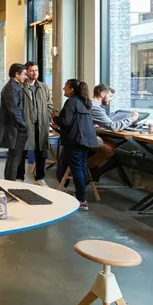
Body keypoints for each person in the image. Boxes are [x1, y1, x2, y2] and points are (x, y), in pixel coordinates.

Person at [53, 79, 98, 210]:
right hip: (85, 140)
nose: (63, 89)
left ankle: (81, 200)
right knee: (82, 168)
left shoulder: (71, 102)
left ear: (71, 89)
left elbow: (64, 122)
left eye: (65, 87)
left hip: (74, 140)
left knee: (77, 169)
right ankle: (81, 195)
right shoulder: (85, 102)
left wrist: (55, 117)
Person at [20, 61, 54, 186]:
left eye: (36, 70)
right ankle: (20, 177)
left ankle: (40, 177)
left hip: (41, 124)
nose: (34, 73)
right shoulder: (21, 87)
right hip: (26, 124)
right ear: (26, 72)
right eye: (31, 70)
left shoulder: (43, 87)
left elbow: (50, 104)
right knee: (22, 151)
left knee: (41, 152)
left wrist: (46, 115)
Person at [0, 63, 29, 182]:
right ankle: (9, 185)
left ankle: (8, 183)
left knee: (13, 158)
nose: (26, 77)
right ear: (17, 74)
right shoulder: (11, 88)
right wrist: (24, 126)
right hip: (15, 130)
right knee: (14, 159)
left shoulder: (14, 87)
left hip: (15, 129)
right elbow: (14, 111)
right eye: (24, 74)